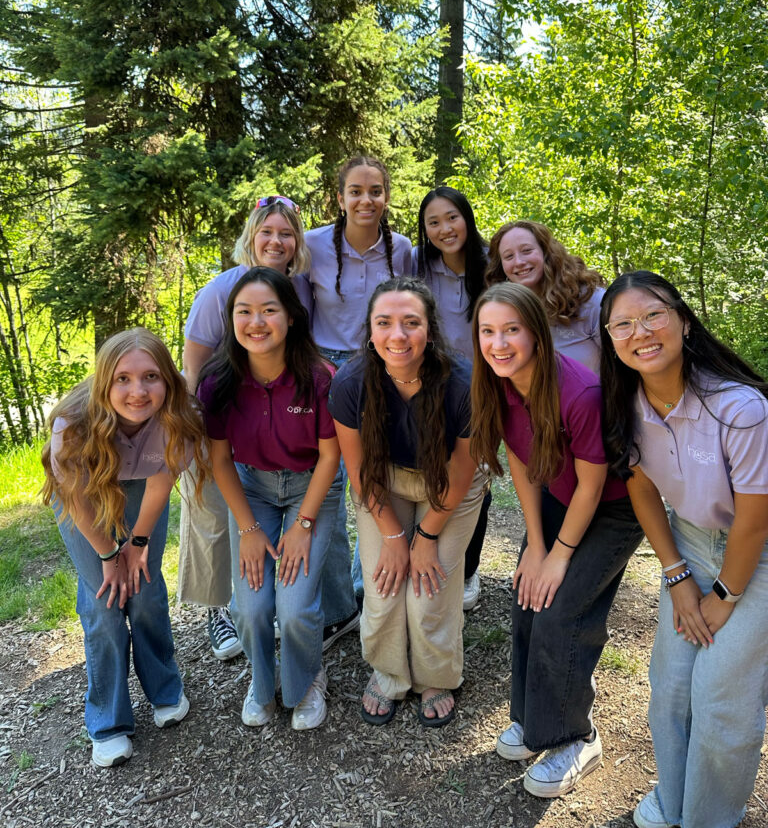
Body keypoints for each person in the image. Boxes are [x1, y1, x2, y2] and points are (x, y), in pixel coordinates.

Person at [599, 271, 768, 828]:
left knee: (720, 697)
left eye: (652, 316)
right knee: (670, 688)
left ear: (684, 322)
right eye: (622, 323)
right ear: (610, 339)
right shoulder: (627, 404)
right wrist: (676, 577)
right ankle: (676, 798)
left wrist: (721, 596)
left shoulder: (739, 408)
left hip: (757, 554)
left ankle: (709, 816)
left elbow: (753, 522)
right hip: (692, 544)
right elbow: (642, 487)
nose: (639, 332)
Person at [471, 282, 643, 797]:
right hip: (559, 499)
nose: (499, 343)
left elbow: (594, 486)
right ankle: (533, 720)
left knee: (563, 608)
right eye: (487, 331)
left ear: (538, 336)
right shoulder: (498, 385)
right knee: (527, 598)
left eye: (512, 330)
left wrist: (560, 557)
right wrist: (537, 547)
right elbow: (524, 467)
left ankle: (576, 737)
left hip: (613, 509)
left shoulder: (580, 393)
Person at [41, 329, 208, 768]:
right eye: (123, 379)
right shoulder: (73, 423)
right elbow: (74, 498)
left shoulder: (182, 414)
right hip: (88, 494)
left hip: (144, 487)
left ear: (168, 380)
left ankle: (165, 687)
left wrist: (136, 545)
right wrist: (108, 556)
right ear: (104, 383)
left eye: (150, 376)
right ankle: (109, 721)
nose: (138, 391)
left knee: (146, 591)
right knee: (105, 602)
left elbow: (160, 484)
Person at [328, 276, 484, 728]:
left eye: (411, 322)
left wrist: (426, 535)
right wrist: (395, 536)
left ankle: (436, 675)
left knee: (428, 589)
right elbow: (359, 471)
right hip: (384, 484)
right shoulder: (350, 383)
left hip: (449, 486)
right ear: (371, 333)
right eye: (385, 323)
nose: (398, 335)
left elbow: (462, 471)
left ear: (430, 331)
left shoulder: (462, 382)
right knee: (383, 585)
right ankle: (390, 672)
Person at [197, 267, 341, 731]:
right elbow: (220, 462)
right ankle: (261, 686)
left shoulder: (319, 378)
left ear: (291, 317)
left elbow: (330, 456)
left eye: (268, 310)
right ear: (231, 320)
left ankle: (306, 681)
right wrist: (248, 528)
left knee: (296, 606)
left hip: (310, 486)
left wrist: (302, 526)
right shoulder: (218, 381)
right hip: (252, 489)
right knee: (252, 606)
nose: (256, 322)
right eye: (244, 312)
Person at [178, 196, 312, 660]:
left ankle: (289, 604)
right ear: (250, 238)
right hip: (218, 416)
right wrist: (194, 429)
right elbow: (193, 368)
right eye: (267, 232)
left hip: (270, 422)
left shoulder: (299, 289)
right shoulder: (220, 290)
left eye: (286, 233)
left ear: (297, 242)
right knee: (215, 516)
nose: (276, 241)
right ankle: (218, 610)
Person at [305, 155, 412, 623]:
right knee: (329, 480)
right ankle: (334, 603)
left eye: (375, 191)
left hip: (379, 366)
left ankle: (363, 584)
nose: (365, 200)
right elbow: (294, 307)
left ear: (386, 197)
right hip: (323, 367)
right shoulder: (312, 246)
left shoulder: (402, 248)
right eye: (356, 191)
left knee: (371, 474)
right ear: (340, 197)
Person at [413, 186, 490, 611]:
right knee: (435, 465)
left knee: (476, 471)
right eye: (434, 222)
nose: (445, 229)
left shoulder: (493, 266)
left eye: (452, 218)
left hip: (484, 387)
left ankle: (467, 567)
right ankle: (428, 547)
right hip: (433, 385)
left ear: (467, 218)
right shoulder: (421, 268)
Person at [486, 220, 604, 374]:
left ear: (547, 253)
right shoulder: (505, 313)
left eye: (527, 250)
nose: (519, 262)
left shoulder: (590, 301)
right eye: (508, 256)